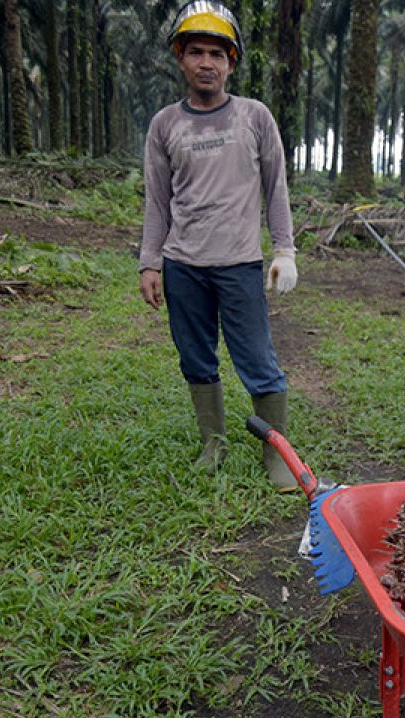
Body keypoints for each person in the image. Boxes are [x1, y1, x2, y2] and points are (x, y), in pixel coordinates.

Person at [138, 1, 298, 490]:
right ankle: (214, 441)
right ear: (181, 58)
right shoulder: (166, 125)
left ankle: (277, 452)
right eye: (197, 52)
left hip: (240, 264)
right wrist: (150, 262)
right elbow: (158, 201)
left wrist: (286, 250)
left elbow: (276, 188)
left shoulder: (254, 117)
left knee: (257, 359)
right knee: (195, 357)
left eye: (217, 53)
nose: (207, 63)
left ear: (231, 62)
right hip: (184, 264)